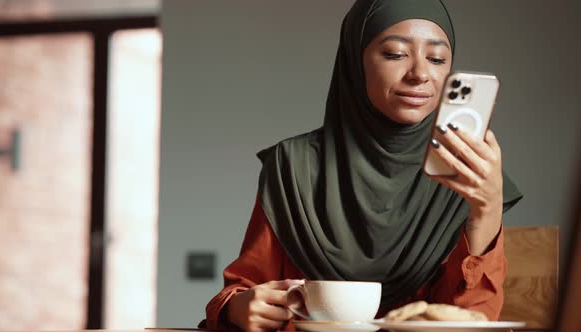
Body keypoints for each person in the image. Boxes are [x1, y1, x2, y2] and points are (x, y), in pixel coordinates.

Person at [202, 0, 522, 331]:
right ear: (356, 62)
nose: (420, 74)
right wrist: (237, 309)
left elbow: (472, 318)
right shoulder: (294, 166)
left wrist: (485, 211)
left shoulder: (464, 171)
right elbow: (246, 291)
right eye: (396, 54)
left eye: (437, 59)